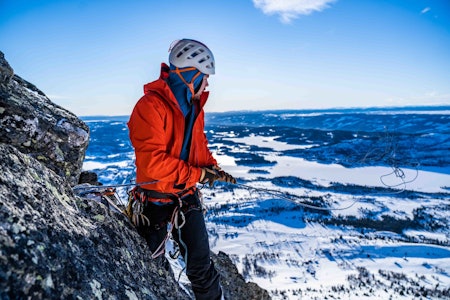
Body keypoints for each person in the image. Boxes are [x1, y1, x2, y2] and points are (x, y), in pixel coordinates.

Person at [127, 38, 236, 300]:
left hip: (185, 197)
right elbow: (153, 163)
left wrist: (211, 167)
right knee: (150, 268)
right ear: (190, 75)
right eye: (205, 77)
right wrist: (197, 174)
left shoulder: (194, 106)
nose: (207, 83)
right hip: (154, 201)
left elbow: (198, 145)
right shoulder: (150, 107)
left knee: (202, 268)